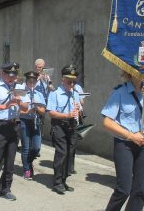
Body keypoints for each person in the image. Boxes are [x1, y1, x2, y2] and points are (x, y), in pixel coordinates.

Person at [101, 72, 144, 211]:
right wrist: (131, 135)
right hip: (124, 145)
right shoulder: (120, 92)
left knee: (139, 190)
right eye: (138, 70)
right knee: (124, 189)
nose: (142, 73)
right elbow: (107, 122)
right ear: (130, 73)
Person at [0, 62, 29, 201]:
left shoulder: (20, 88)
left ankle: (5, 188)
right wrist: (5, 106)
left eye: (14, 75)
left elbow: (26, 108)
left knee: (10, 160)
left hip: (14, 125)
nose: (12, 78)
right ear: (3, 74)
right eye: (9, 75)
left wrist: (20, 102)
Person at [46, 64, 82, 195]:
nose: (71, 84)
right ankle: (57, 182)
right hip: (59, 125)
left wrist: (78, 110)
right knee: (62, 153)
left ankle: (64, 179)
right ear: (63, 80)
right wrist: (67, 115)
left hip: (71, 126)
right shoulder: (54, 94)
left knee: (70, 153)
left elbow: (78, 111)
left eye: (73, 81)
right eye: (69, 81)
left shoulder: (75, 93)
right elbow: (51, 112)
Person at [19, 71, 46, 180]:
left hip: (35, 121)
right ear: (26, 82)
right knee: (26, 147)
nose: (32, 83)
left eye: (34, 81)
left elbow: (43, 111)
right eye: (29, 81)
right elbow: (18, 111)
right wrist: (29, 111)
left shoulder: (39, 94)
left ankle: (28, 162)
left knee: (36, 147)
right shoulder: (21, 93)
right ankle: (27, 169)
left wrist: (37, 107)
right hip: (24, 121)